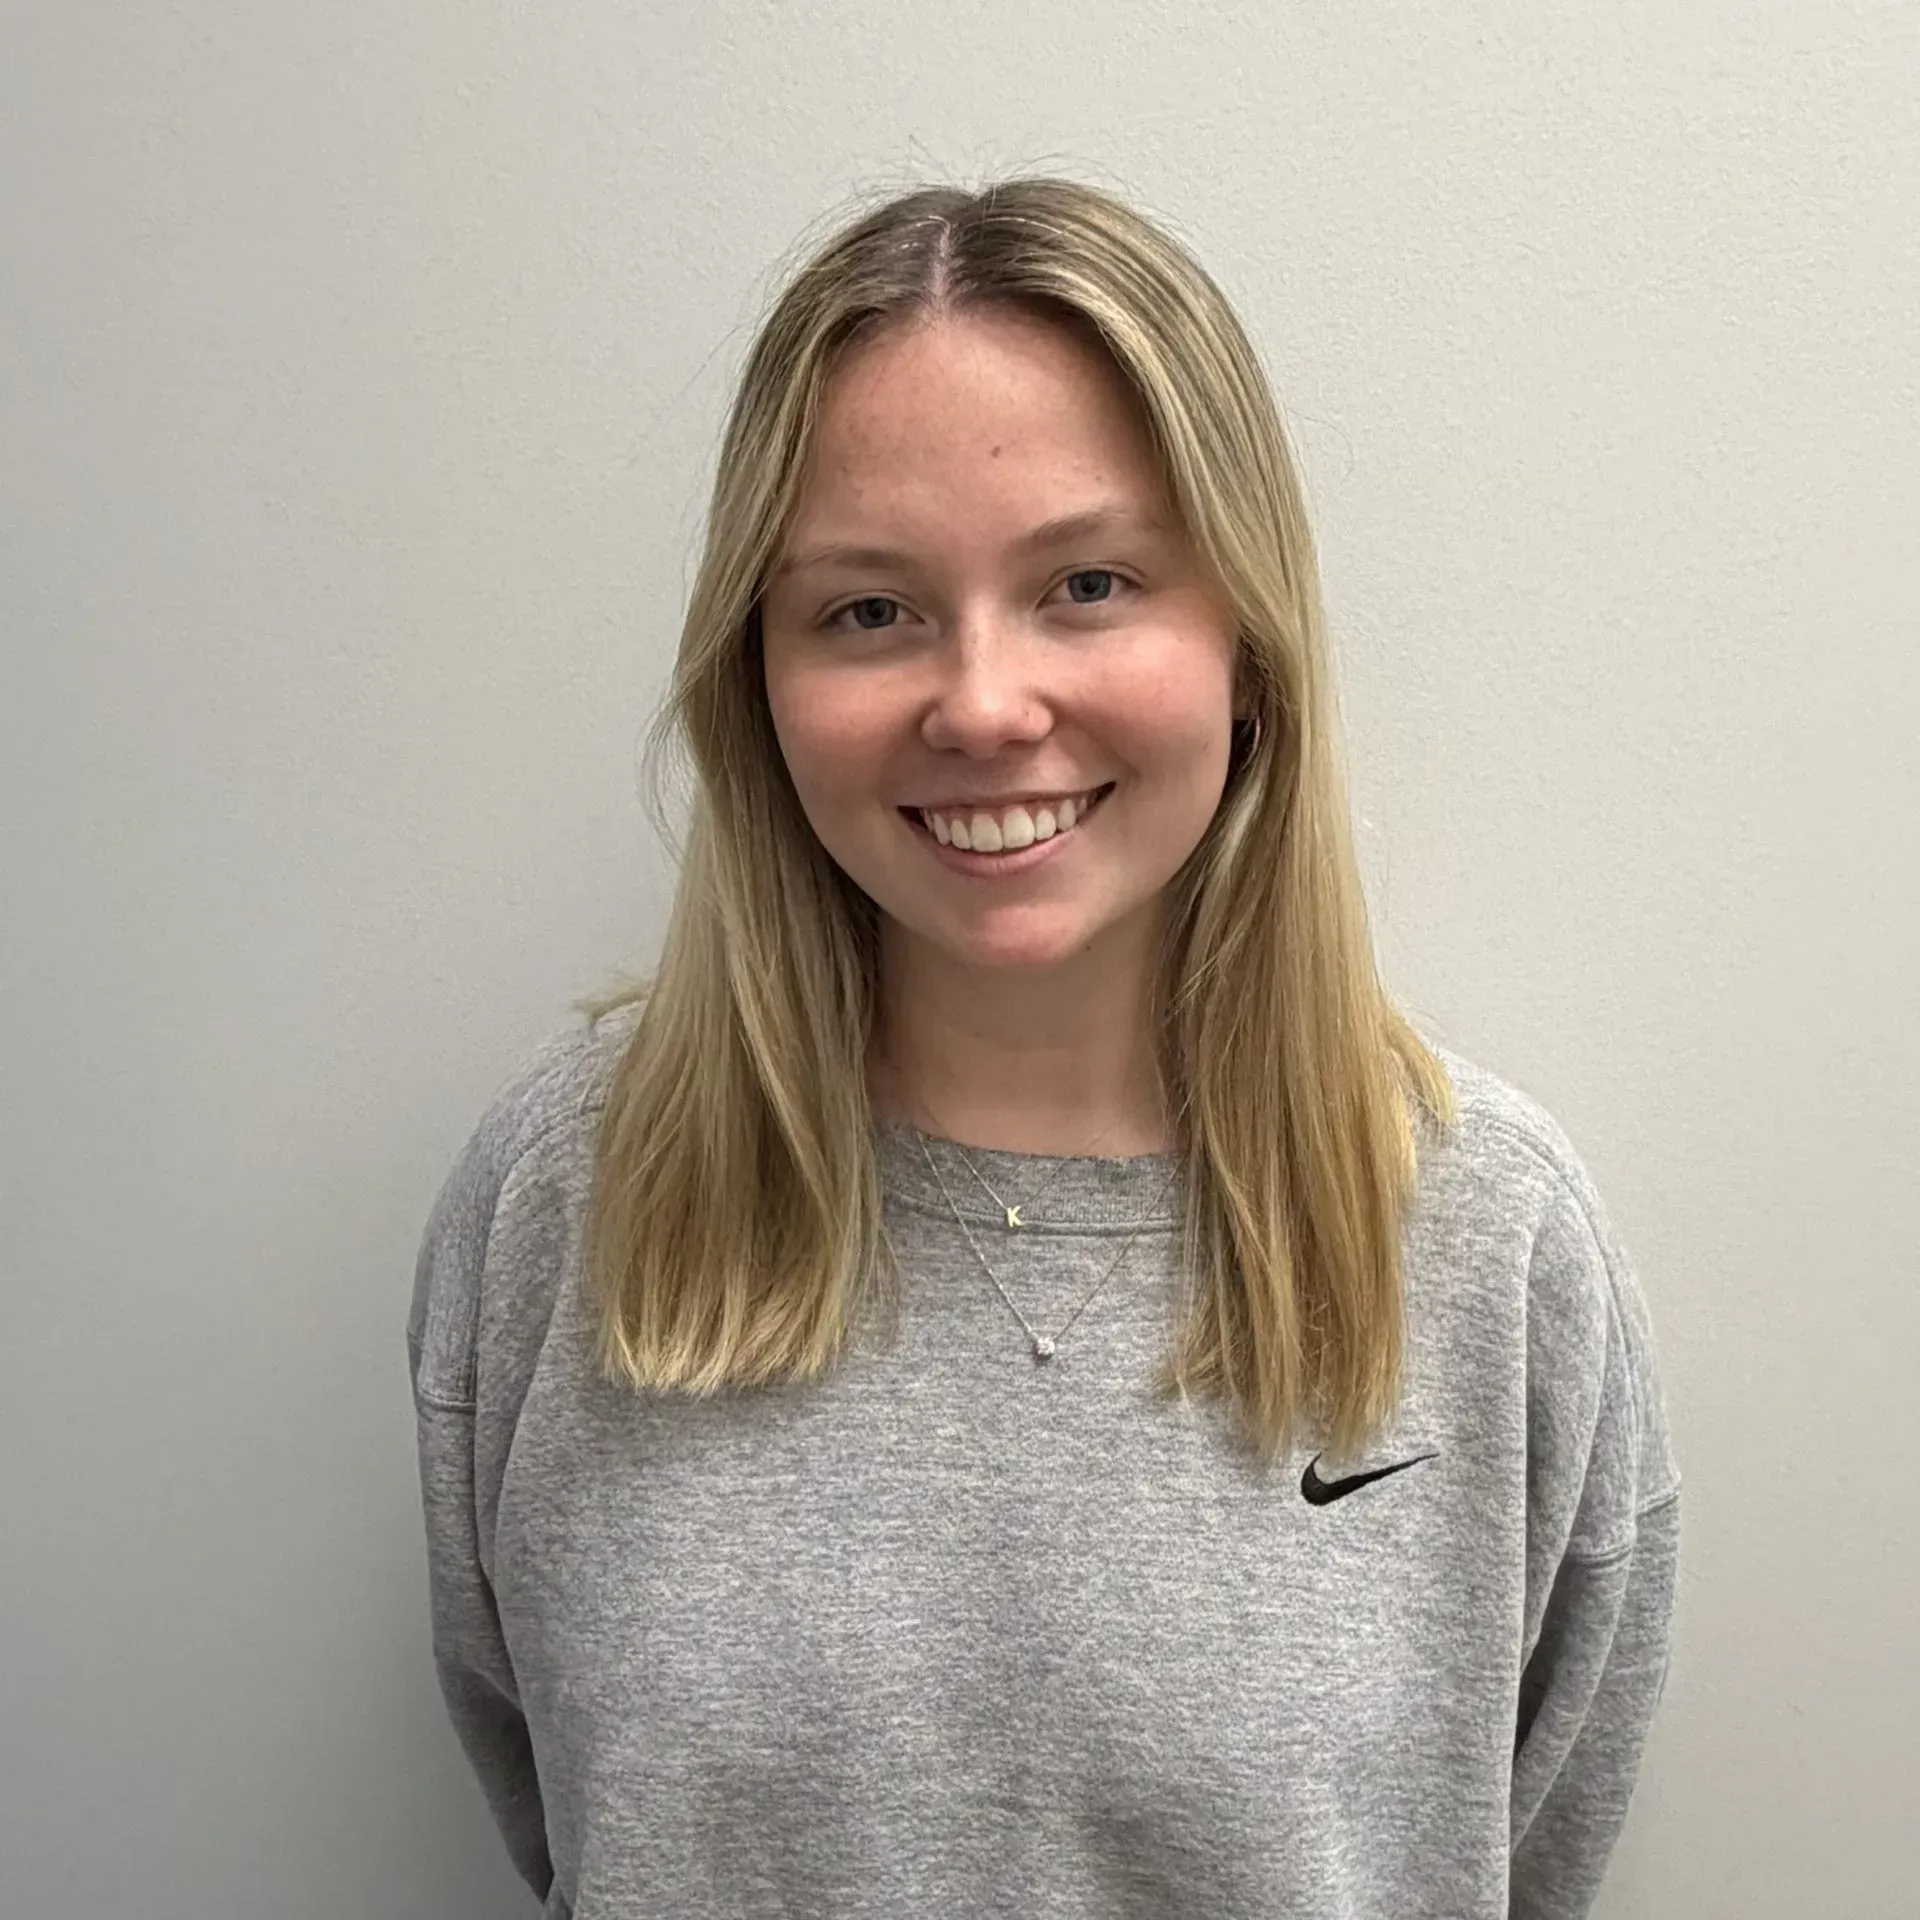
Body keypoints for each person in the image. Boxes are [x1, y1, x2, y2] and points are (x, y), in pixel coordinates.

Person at [407, 176, 1682, 1919]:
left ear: (1247, 646)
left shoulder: (1484, 1240)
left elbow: (1526, 1849)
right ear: (757, 680)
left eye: (1087, 582)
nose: (986, 704)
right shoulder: (570, 1195)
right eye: (868, 608)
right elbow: (548, 1808)